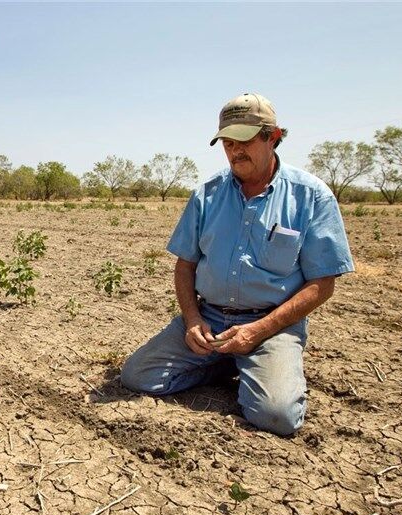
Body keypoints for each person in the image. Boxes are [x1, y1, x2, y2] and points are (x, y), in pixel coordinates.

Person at [120, 93, 354, 436]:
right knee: (137, 376)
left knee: (276, 417)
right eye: (227, 142)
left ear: (272, 137)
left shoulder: (311, 196)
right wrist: (192, 319)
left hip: (270, 326)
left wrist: (256, 332)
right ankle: (222, 361)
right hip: (210, 319)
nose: (235, 151)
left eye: (244, 140)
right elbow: (185, 265)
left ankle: (256, 365)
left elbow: (322, 284)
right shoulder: (207, 194)